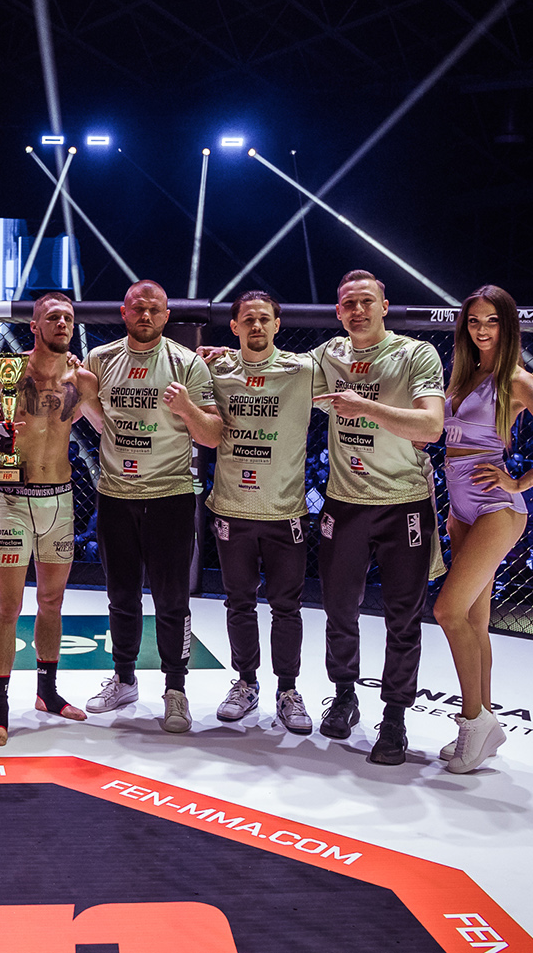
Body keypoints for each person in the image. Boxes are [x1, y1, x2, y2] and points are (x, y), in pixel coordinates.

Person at [434, 284, 533, 773]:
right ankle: (486, 724)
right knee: (475, 621)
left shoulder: (517, 379)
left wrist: (519, 481)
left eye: (492, 320)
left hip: (497, 506)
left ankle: (472, 720)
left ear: (507, 325)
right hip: (460, 507)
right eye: (474, 320)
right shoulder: (462, 373)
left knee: (447, 612)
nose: (481, 329)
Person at [309, 270, 446, 765]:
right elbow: (276, 370)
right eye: (349, 304)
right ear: (338, 311)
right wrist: (228, 356)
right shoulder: (328, 355)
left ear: (384, 306)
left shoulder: (415, 354)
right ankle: (344, 696)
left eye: (367, 301)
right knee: (338, 609)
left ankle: (394, 718)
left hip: (402, 500)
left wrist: (363, 406)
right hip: (345, 501)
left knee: (403, 617)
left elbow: (432, 425)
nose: (358, 311)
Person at [83, 280, 221, 733]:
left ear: (166, 316)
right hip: (116, 495)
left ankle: (175, 689)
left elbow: (211, 435)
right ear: (124, 312)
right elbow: (91, 414)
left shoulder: (186, 363)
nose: (146, 316)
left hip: (169, 497)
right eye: (138, 309)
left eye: (154, 310)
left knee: (172, 600)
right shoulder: (100, 359)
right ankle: (124, 679)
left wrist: (187, 409)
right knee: (121, 595)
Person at [0, 292, 102, 746]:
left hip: (60, 501)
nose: (62, 323)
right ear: (35, 326)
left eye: (68, 318)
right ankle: (0, 710)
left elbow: (104, 425)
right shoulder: (9, 370)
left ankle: (48, 693)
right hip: (14, 502)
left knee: (51, 602)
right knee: (8, 607)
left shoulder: (82, 378)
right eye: (53, 317)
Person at [203, 290, 317, 735]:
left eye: (264, 318)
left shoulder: (303, 369)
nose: (256, 325)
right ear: (234, 326)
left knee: (287, 606)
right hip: (232, 506)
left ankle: (288, 690)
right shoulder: (216, 370)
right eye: (248, 319)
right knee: (239, 602)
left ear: (277, 324)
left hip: (284, 508)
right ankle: (246, 683)